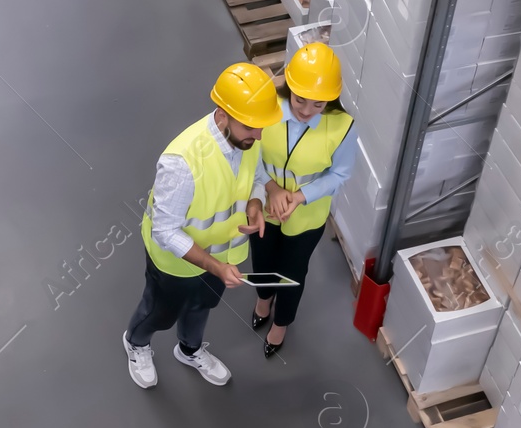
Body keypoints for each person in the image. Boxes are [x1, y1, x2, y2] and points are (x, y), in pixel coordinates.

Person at [123, 63, 280, 388]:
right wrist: (214, 266)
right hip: (175, 265)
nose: (260, 134)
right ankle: (136, 343)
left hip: (222, 258)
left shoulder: (248, 138)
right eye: (251, 127)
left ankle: (190, 350)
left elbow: (257, 176)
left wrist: (255, 203)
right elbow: (165, 231)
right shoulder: (182, 162)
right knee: (160, 313)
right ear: (222, 115)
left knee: (202, 306)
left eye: (262, 127)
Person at [250, 43, 355, 358]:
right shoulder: (266, 110)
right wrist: (271, 188)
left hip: (307, 216)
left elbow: (340, 175)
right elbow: (250, 152)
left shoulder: (343, 128)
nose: (306, 110)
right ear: (289, 87)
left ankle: (281, 323)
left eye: (319, 104)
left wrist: (298, 196)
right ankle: (263, 299)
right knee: (262, 259)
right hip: (265, 206)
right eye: (300, 99)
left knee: (293, 271)